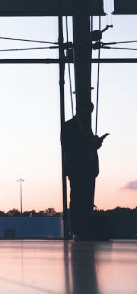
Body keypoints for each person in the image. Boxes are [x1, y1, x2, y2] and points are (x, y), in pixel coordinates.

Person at [62, 101, 109, 239]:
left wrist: (94, 144)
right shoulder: (69, 126)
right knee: (77, 199)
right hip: (78, 169)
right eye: (88, 112)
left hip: (87, 169)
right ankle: (77, 230)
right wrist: (91, 144)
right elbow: (69, 147)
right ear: (80, 110)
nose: (88, 115)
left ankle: (82, 229)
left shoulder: (82, 127)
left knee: (85, 199)